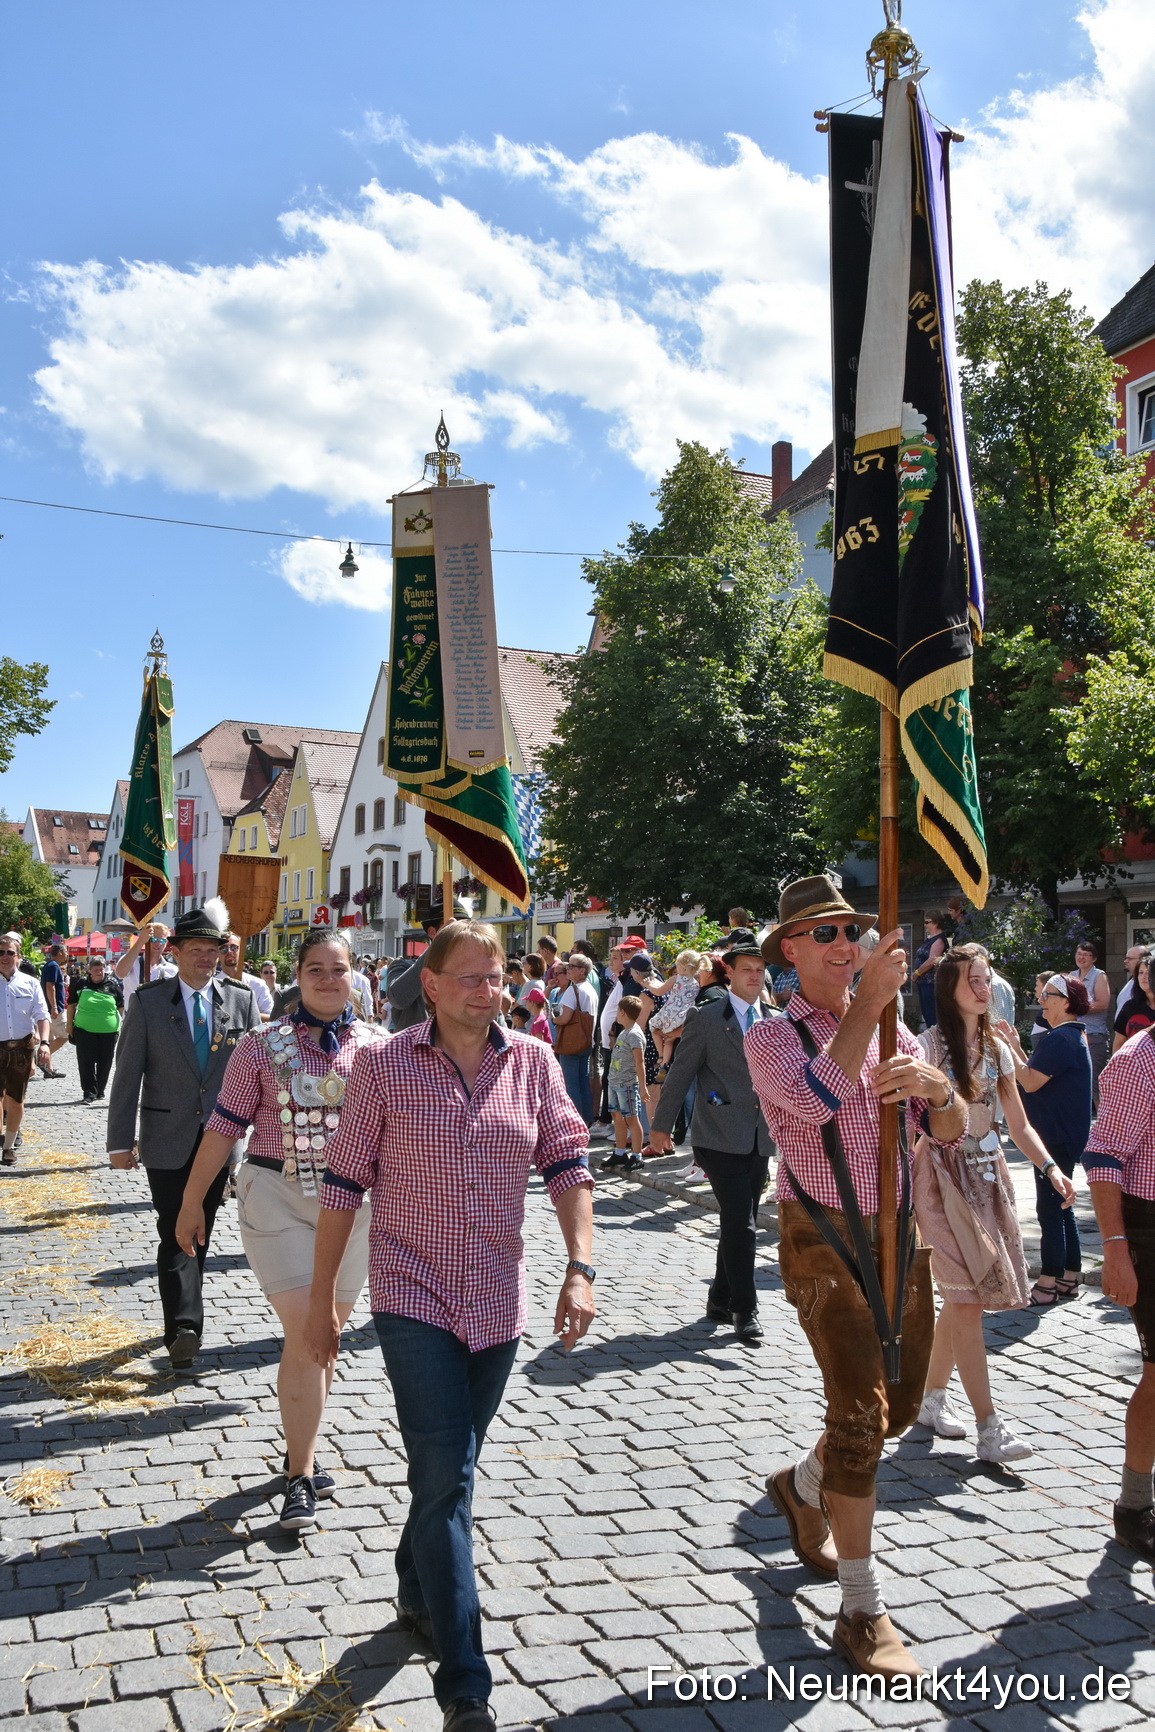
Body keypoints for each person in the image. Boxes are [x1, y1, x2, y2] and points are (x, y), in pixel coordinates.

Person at [303, 919, 595, 1732]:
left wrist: (581, 1265)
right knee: (450, 1472)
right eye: (468, 976)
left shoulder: (530, 1062)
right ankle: (466, 1687)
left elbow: (569, 1163)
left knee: (444, 1478)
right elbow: (341, 1184)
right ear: (428, 986)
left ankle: (413, 1582)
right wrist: (327, 1298)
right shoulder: (383, 1066)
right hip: (411, 1298)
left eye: (494, 975)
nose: (486, 989)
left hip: (496, 1301)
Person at [746, 875, 968, 1681]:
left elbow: (945, 1133)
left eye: (851, 930)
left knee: (900, 1407)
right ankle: (860, 1607)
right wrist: (871, 1007)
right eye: (827, 934)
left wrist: (936, 1090)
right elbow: (811, 1103)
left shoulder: (893, 1028)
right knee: (858, 1414)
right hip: (820, 1235)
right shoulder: (771, 1036)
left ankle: (801, 1486)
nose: (847, 944)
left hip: (897, 1234)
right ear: (791, 952)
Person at [175, 929, 386, 1530]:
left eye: (338, 968)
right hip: (276, 1198)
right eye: (314, 968)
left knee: (330, 1332)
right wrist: (193, 1202)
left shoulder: (381, 1048)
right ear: (296, 974)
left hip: (354, 1210)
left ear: (355, 976)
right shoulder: (258, 1046)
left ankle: (302, 1443)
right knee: (307, 1331)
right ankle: (300, 1474)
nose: (326, 978)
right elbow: (222, 1127)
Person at [913, 947, 1076, 1455]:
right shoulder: (926, 1047)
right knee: (968, 1298)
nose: (985, 990)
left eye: (987, 980)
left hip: (987, 1174)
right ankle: (990, 1428)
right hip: (940, 1176)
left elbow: (1019, 1123)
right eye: (974, 981)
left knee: (964, 1297)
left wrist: (1050, 1168)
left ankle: (932, 1398)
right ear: (950, 989)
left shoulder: (999, 1047)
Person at [106, 904, 263, 1368]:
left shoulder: (240, 1000)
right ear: (173, 952)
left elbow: (259, 1073)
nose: (207, 958)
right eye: (197, 950)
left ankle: (183, 1321)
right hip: (165, 1135)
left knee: (202, 1225)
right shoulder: (149, 1002)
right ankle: (184, 1327)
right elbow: (127, 1073)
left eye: (214, 950)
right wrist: (119, 1141)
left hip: (221, 1137)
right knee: (174, 1224)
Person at [650, 937, 776, 1343]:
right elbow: (682, 1073)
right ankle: (745, 1308)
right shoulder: (706, 1018)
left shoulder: (776, 1019)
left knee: (741, 1222)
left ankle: (719, 1299)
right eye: (747, 970)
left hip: (759, 1138)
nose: (754, 977)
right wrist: (660, 1127)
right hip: (717, 1135)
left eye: (760, 971)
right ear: (731, 974)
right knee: (742, 1222)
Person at [1084, 1029, 1155, 1561]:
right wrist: (1115, 1250)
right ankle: (1134, 1508)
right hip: (1148, 1227)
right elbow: (1104, 1154)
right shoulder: (1139, 1059)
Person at [1000, 974, 1093, 1305]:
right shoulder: (1069, 1036)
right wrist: (1015, 1046)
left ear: (1065, 1002)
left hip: (1054, 1135)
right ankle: (1069, 1277)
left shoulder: (1061, 1039)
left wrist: (1008, 1049)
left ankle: (1048, 1282)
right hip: (1064, 1133)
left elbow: (1029, 1081)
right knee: (1063, 1204)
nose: (1042, 999)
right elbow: (1036, 1075)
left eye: (1048, 995)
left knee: (1050, 1208)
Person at [0, 935, 51, 1165]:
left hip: (21, 1049)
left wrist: (45, 1044)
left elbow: (42, 1016)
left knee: (16, 1100)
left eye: (10, 953)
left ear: (18, 957)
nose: (4, 957)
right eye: (1, 952)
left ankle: (9, 1147)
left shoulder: (30, 983)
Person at [68, 955, 124, 1102]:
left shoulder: (112, 984)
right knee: (86, 1062)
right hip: (84, 1029)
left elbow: (121, 1005)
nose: (100, 972)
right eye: (96, 969)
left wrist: (120, 1023)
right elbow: (71, 1004)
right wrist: (69, 1025)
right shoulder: (81, 983)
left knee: (105, 1062)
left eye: (102, 969)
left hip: (109, 1031)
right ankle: (89, 1092)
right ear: (89, 970)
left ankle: (100, 1090)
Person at [602, 995, 648, 1167]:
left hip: (627, 1084)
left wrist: (642, 1087)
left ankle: (637, 1156)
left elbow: (639, 1062)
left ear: (622, 1012)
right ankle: (620, 1152)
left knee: (631, 1118)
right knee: (617, 1116)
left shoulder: (635, 1034)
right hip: (615, 1083)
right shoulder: (624, 1032)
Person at [553, 953, 597, 1124]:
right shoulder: (590, 988)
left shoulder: (574, 989)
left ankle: (575, 1123)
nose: (567, 969)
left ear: (582, 970)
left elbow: (563, 1018)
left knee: (571, 1085)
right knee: (583, 1083)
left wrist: (553, 1017)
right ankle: (586, 1120)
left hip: (571, 1042)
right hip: (586, 1040)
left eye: (571, 966)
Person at [641, 950, 702, 1072]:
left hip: (671, 1012)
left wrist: (648, 985)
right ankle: (664, 1064)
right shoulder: (696, 983)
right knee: (669, 1040)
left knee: (653, 1027)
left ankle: (660, 1056)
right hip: (684, 1016)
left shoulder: (676, 979)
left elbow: (659, 991)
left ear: (683, 968)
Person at [1070, 938, 1111, 1103]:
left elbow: (1103, 1002)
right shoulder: (1072, 976)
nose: (1081, 958)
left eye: (1086, 955)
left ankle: (1104, 1123)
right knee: (1075, 1081)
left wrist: (1078, 1007)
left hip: (1094, 1036)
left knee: (1095, 1083)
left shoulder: (1099, 976)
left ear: (1093, 959)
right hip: (1074, 1034)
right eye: (1079, 954)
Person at [218, 929, 274, 1019]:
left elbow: (271, 1017)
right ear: (217, 953)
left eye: (233, 947)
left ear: (241, 949)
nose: (229, 951)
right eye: (223, 948)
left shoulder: (258, 985)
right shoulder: (211, 986)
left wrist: (243, 1014)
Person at [1113, 947, 1155, 1050]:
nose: (1144, 977)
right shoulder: (1129, 1007)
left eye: (1149, 973)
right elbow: (1118, 1043)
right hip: (1133, 1063)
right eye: (1140, 973)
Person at [912, 912, 948, 1031]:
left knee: (932, 1015)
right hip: (924, 983)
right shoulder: (930, 939)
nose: (925, 925)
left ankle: (936, 1042)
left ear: (936, 923)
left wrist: (917, 973)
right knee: (927, 1015)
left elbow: (932, 960)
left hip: (932, 983)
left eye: (927, 922)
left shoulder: (939, 940)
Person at [38, 943, 70, 1075]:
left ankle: (48, 1069)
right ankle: (40, 1056)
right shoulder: (53, 966)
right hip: (53, 1007)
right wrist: (54, 1007)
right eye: (66, 951)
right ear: (61, 952)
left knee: (50, 1039)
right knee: (64, 1036)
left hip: (48, 1007)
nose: (67, 954)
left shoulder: (50, 965)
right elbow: (50, 986)